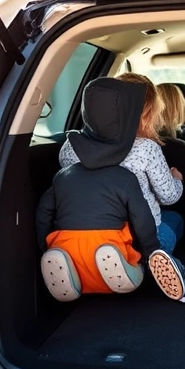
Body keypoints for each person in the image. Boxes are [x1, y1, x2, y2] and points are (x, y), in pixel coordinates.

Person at [36, 77, 161, 301]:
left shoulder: (64, 172)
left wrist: (44, 245)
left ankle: (71, 273)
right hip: (113, 239)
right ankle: (136, 272)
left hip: (67, 241)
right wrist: (152, 252)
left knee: (72, 253)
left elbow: (43, 212)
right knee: (162, 231)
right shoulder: (126, 177)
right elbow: (142, 218)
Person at [60, 73, 185, 253]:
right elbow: (169, 196)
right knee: (175, 220)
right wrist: (177, 179)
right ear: (146, 114)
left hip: (85, 233)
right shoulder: (147, 149)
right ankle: (162, 266)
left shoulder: (71, 146)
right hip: (140, 238)